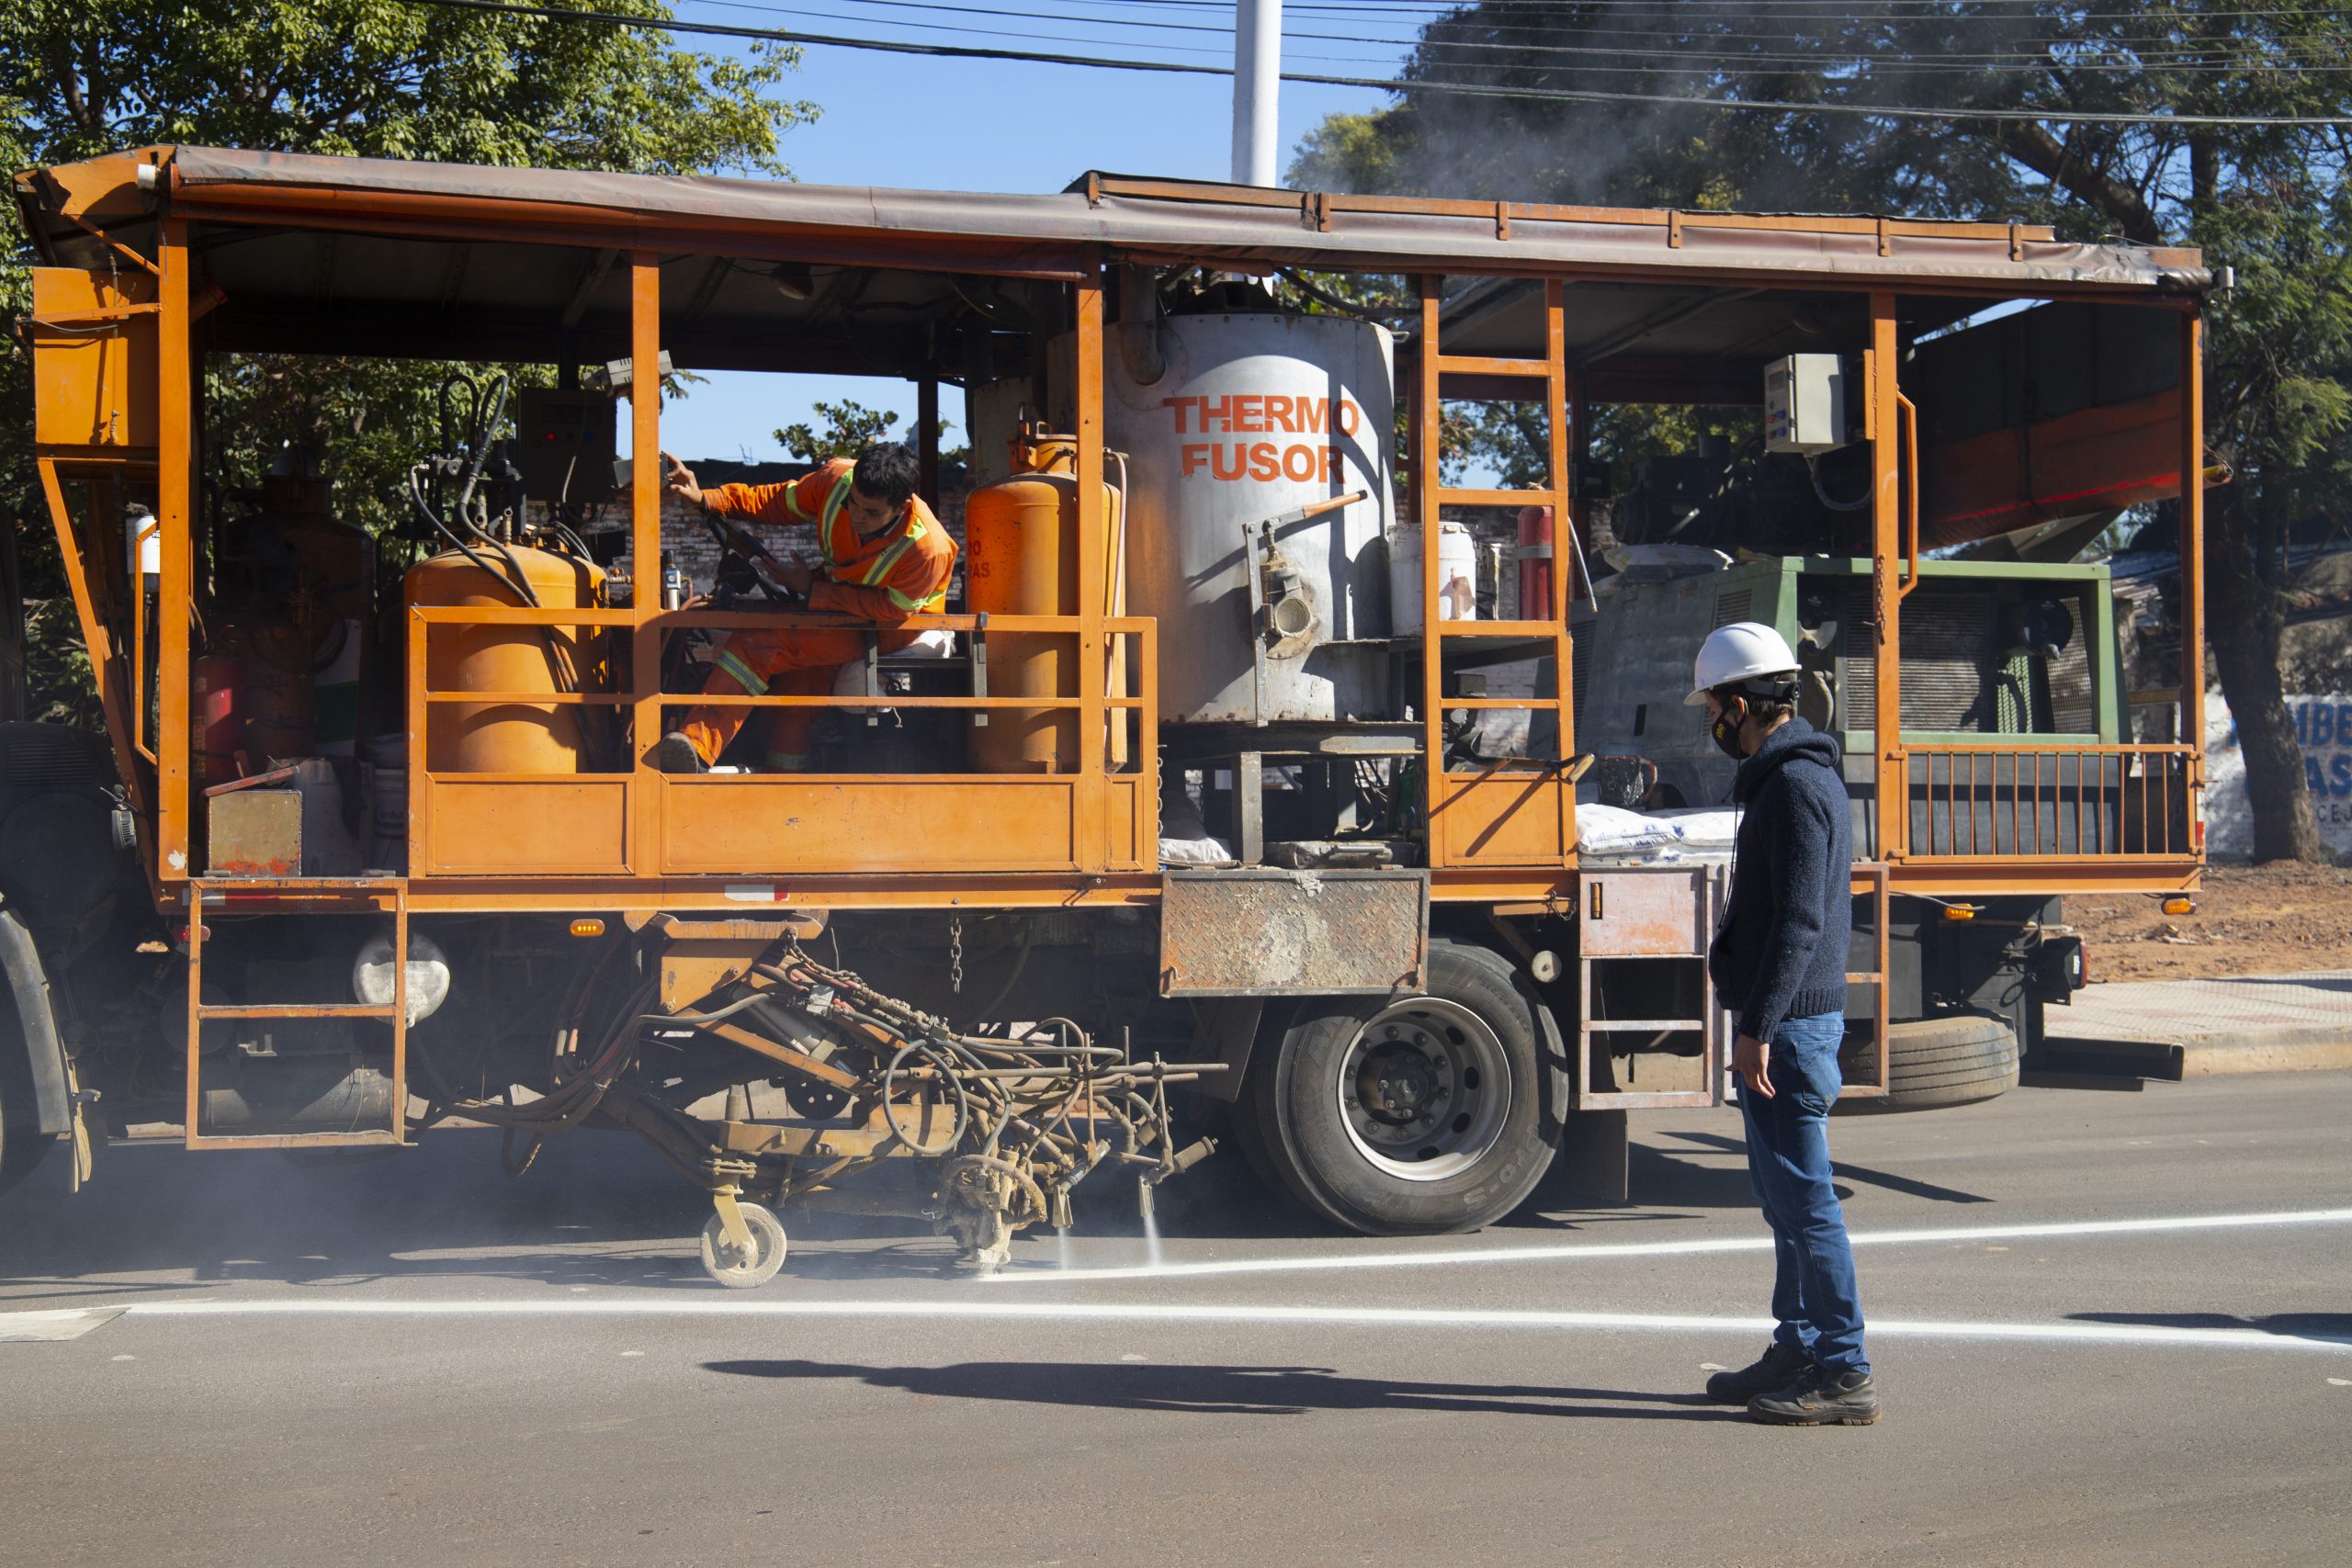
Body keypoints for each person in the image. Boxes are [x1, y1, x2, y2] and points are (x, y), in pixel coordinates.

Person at [1688, 621, 1880, 1427]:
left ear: (1741, 704)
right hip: (1785, 1027)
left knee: (1808, 1206)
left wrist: (1757, 1025)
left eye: (1714, 709)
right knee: (1783, 1203)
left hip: (1790, 1032)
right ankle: (1797, 1345)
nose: (1712, 724)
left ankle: (1845, 1368)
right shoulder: (1786, 779)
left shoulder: (1796, 787)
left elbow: (1801, 920)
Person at [655, 443, 956, 772]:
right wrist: (709, 498)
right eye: (852, 503)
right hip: (838, 610)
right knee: (798, 690)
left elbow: (893, 611)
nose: (856, 516)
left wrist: (814, 591)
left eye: (871, 512)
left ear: (902, 507)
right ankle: (784, 778)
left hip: (889, 629)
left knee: (756, 644)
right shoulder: (837, 479)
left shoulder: (928, 549)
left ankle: (696, 750)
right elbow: (777, 500)